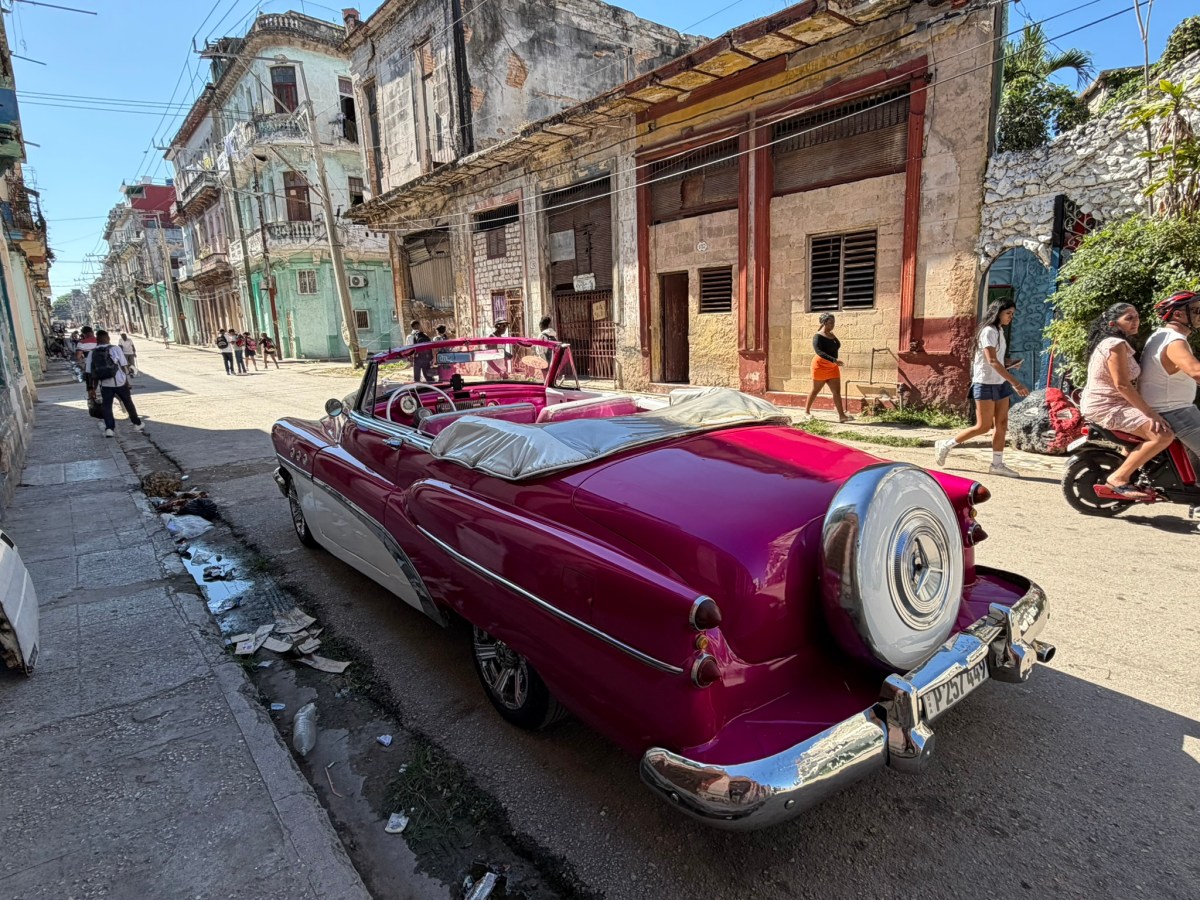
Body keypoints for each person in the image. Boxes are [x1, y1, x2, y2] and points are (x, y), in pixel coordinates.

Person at [1078, 302, 1173, 499]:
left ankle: (1131, 474)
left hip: (1112, 403)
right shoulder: (1115, 344)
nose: (1135, 321)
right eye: (1129, 318)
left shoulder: (1116, 343)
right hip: (1107, 406)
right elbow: (1122, 385)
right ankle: (1118, 478)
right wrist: (1150, 413)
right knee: (1162, 435)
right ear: (1113, 323)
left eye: (1136, 317)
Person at [934, 298, 1029, 477]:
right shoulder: (988, 331)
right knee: (983, 426)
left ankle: (997, 465)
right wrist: (1016, 383)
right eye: (1008, 313)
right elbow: (991, 360)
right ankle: (946, 444)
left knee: (1002, 424)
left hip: (1000, 383)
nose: (1011, 317)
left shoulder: (999, 330)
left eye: (1013, 314)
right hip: (984, 383)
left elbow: (997, 359)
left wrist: (1009, 363)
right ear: (997, 312)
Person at [1140, 291, 1200, 464]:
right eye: (1196, 310)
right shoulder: (1174, 341)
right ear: (1178, 314)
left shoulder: (1160, 336)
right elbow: (1196, 372)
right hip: (1175, 411)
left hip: (1168, 408)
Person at [87, 330, 144, 438]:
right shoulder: (115, 349)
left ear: (97, 340)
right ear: (108, 338)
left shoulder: (92, 353)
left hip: (105, 384)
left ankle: (109, 429)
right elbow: (123, 366)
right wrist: (127, 382)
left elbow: (90, 373)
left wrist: (91, 389)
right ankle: (137, 423)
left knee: (107, 406)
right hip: (120, 382)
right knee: (128, 403)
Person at [804, 313, 851, 423]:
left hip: (832, 367)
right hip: (820, 366)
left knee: (836, 392)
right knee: (815, 390)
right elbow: (819, 352)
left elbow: (837, 345)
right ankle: (807, 412)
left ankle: (842, 416)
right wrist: (834, 360)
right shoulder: (817, 336)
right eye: (830, 323)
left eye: (833, 322)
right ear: (824, 322)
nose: (833, 325)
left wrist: (834, 361)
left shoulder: (831, 334)